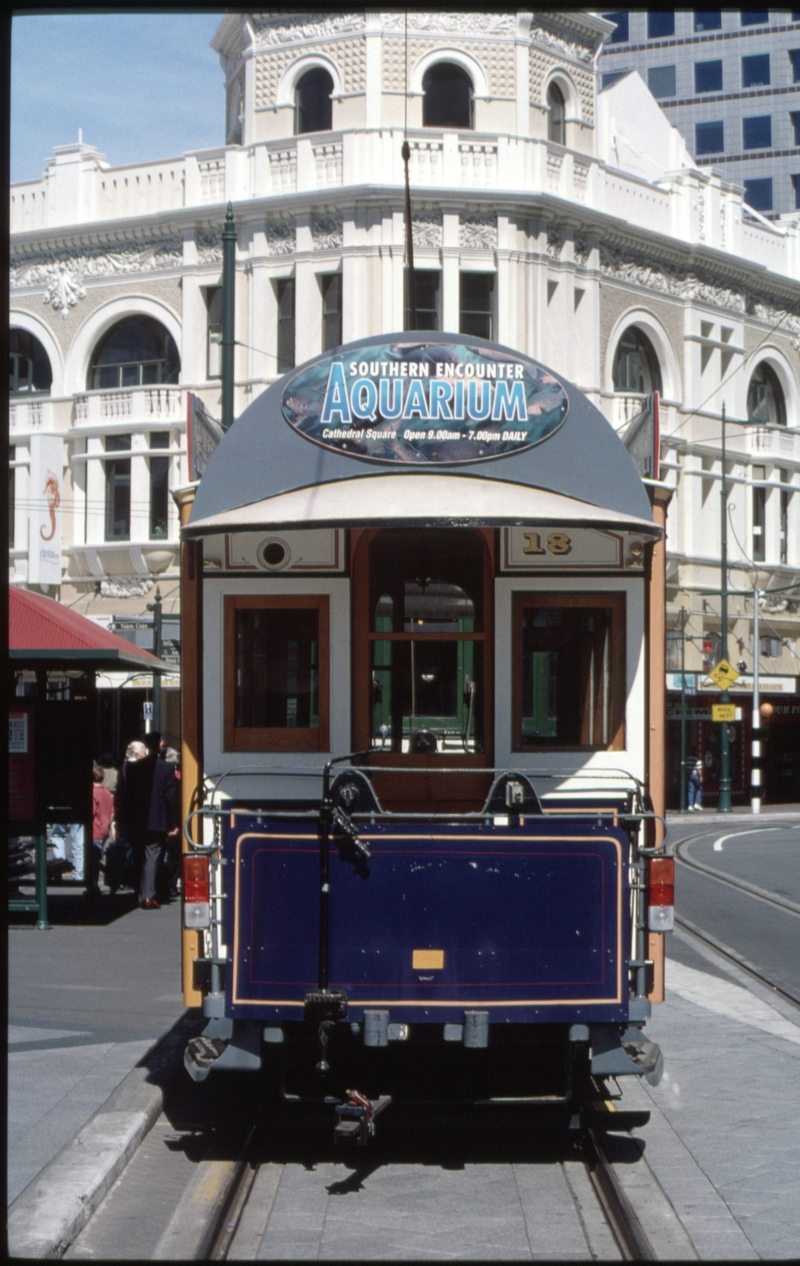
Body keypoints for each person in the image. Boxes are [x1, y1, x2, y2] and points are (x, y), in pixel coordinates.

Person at [115, 730, 177, 909]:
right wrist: (172, 822)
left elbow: (126, 795)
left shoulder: (133, 767)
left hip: (136, 818)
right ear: (159, 744)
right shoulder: (166, 768)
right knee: (153, 854)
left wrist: (122, 819)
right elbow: (169, 797)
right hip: (157, 819)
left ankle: (140, 893)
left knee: (138, 854)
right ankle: (148, 895)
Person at [92, 762, 114, 892]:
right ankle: (96, 883)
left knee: (93, 861)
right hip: (105, 829)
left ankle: (94, 884)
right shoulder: (107, 792)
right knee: (97, 857)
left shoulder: (93, 793)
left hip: (95, 830)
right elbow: (111, 812)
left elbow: (91, 812)